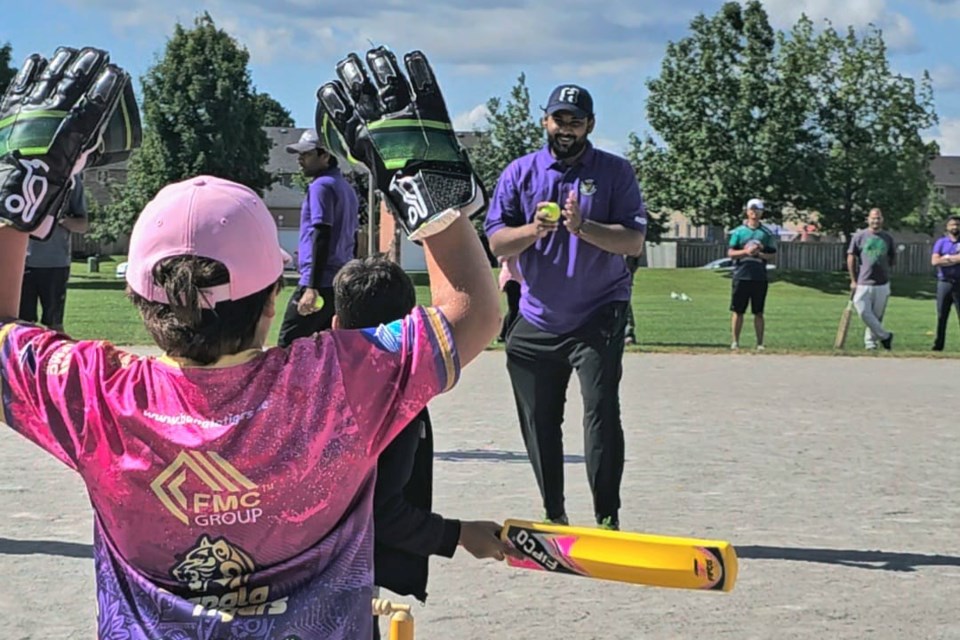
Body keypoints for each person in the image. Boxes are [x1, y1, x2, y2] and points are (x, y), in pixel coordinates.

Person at [0, 46, 501, 639]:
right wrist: (424, 180)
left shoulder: (97, 395)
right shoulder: (337, 383)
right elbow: (473, 310)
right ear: (271, 303)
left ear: (140, 300)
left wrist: (17, 186)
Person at [484, 83, 647, 531]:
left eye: (576, 121)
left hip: (599, 310)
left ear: (590, 125)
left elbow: (633, 240)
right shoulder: (520, 173)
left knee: (600, 409)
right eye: (559, 120)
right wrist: (534, 230)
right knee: (539, 419)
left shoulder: (616, 172)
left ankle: (606, 516)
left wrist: (583, 227)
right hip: (537, 314)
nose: (566, 129)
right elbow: (496, 239)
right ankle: (553, 512)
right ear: (545, 121)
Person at [332, 249, 517, 639]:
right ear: (409, 327)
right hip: (341, 578)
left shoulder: (315, 381)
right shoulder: (393, 401)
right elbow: (382, 510)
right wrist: (460, 535)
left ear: (336, 325)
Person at [277, 127, 359, 348]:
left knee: (287, 346)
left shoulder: (321, 186)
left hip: (318, 282)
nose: (300, 160)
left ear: (325, 155)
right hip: (337, 282)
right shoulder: (346, 188)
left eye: (306, 154)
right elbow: (353, 237)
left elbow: (322, 233)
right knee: (322, 349)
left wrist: (311, 287)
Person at [18, 175, 88, 332]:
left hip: (55, 264)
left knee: (54, 325)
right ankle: (24, 356)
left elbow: (82, 225)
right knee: (22, 325)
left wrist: (55, 219)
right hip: (20, 264)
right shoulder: (21, 174)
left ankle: (55, 356)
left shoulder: (71, 179)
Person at [727, 198, 777, 351]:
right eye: (752, 210)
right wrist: (746, 252)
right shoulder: (739, 232)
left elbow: (772, 254)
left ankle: (760, 343)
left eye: (757, 210)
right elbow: (731, 253)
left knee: (758, 312)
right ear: (747, 211)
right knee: (738, 310)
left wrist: (759, 254)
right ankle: (735, 342)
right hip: (741, 275)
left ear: (762, 212)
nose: (754, 213)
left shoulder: (766, 233)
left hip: (759, 276)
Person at [847, 207, 896, 350]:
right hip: (863, 282)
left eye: (878, 218)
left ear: (882, 220)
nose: (876, 220)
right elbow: (851, 257)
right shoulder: (859, 236)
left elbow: (893, 257)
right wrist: (853, 280)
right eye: (873, 218)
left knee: (876, 316)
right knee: (862, 311)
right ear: (868, 219)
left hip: (882, 283)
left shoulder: (887, 238)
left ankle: (871, 344)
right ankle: (885, 336)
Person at [930, 214, 960, 351]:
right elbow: (935, 261)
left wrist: (946, 258)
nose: (955, 227)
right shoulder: (941, 242)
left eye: (957, 225)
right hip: (944, 283)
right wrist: (954, 258)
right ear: (947, 227)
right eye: (952, 224)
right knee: (942, 316)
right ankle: (938, 345)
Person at [497, 254, 522, 342]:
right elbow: (502, 257)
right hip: (511, 278)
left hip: (518, 279)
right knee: (514, 309)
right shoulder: (511, 249)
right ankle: (505, 334)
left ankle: (505, 334)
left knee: (515, 309)